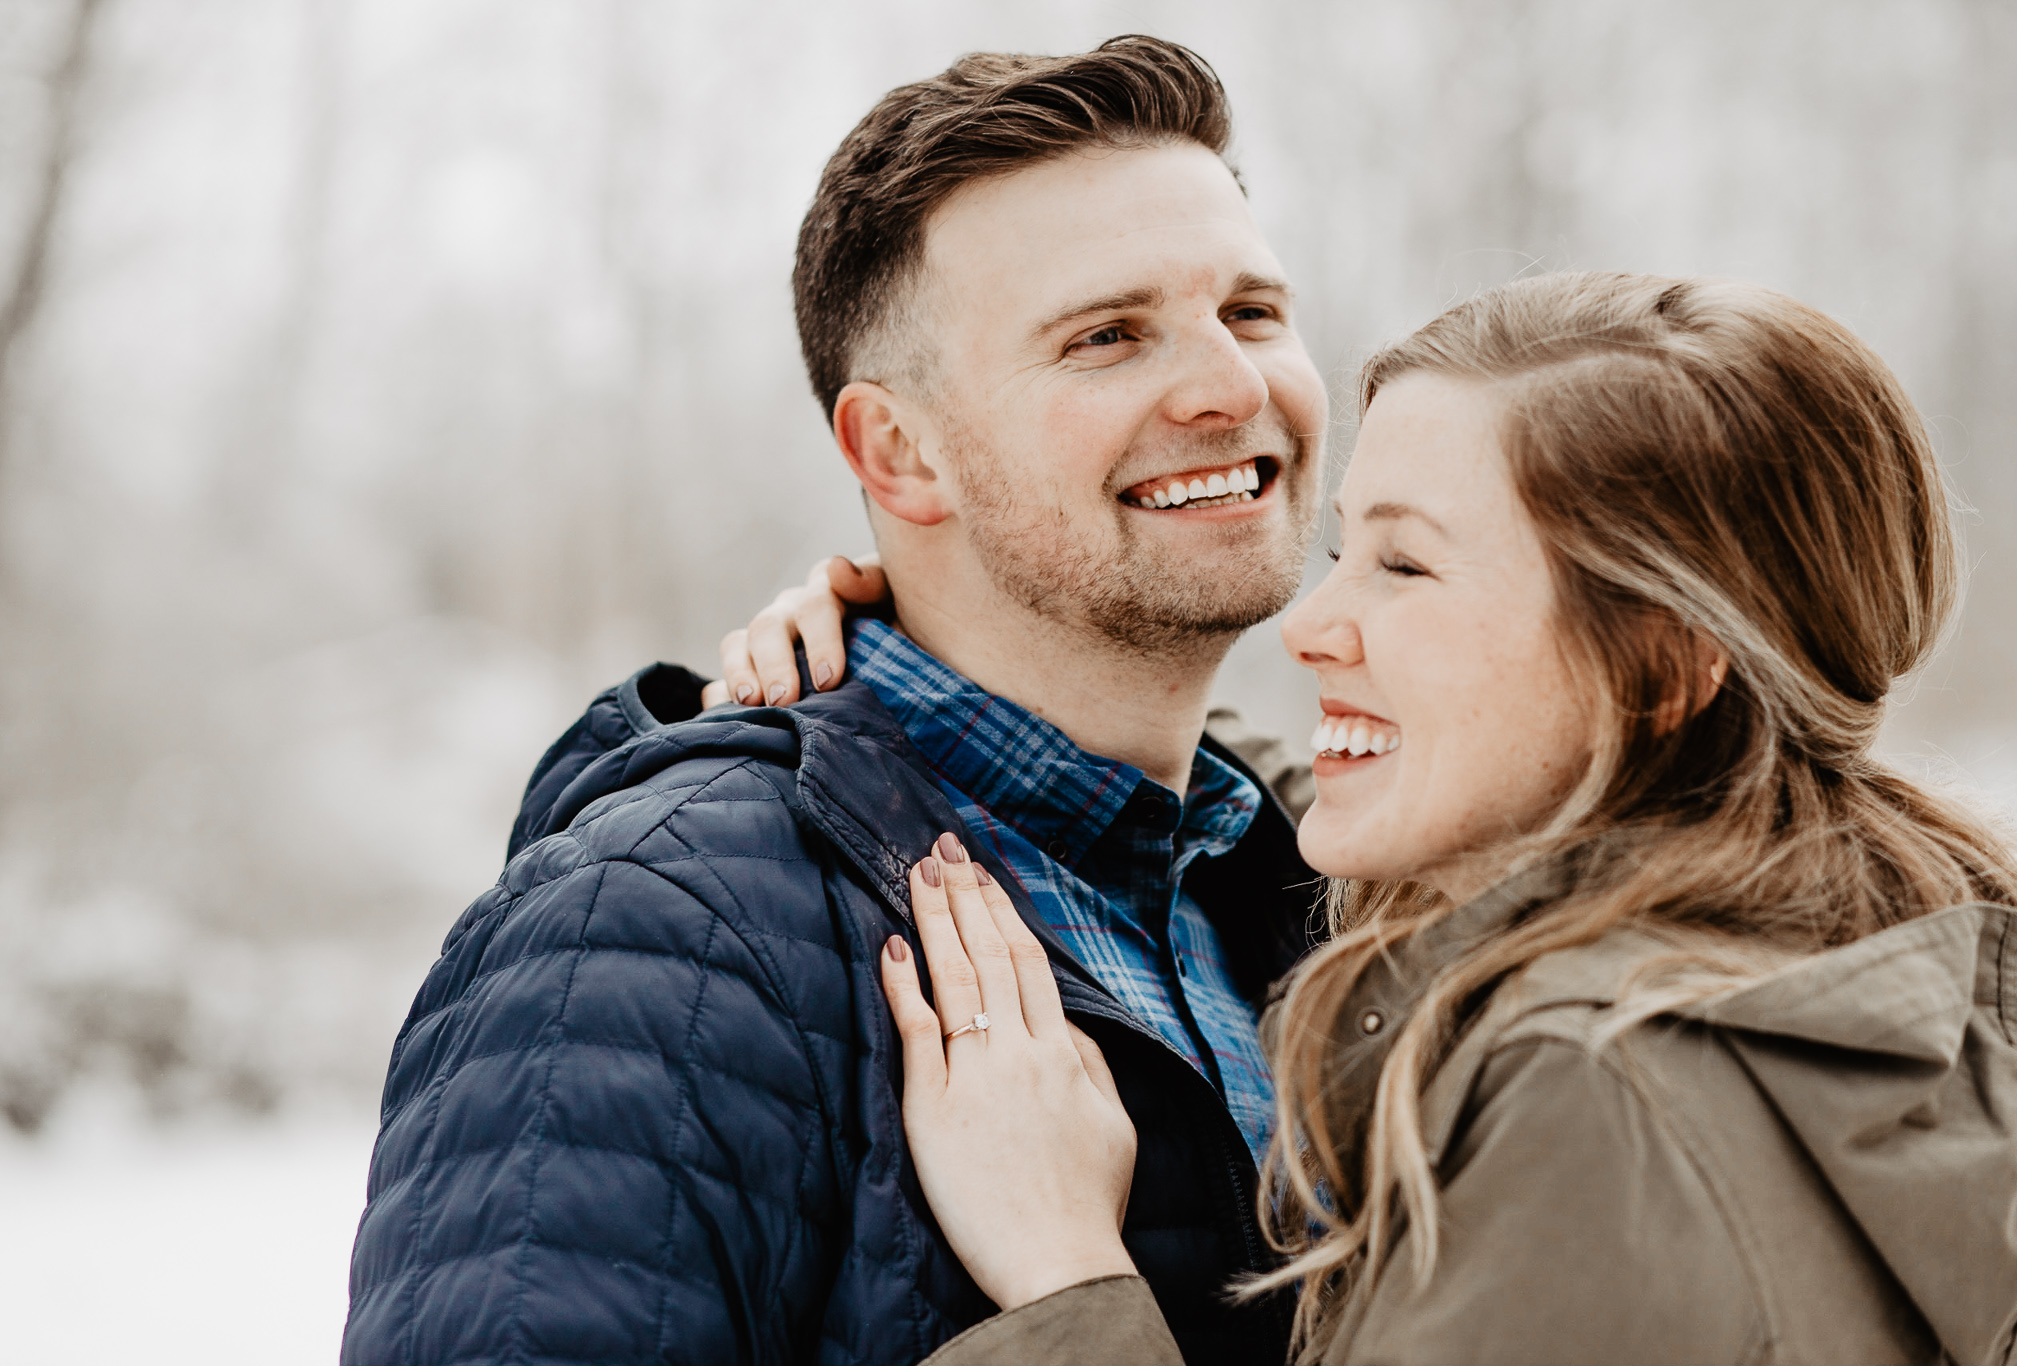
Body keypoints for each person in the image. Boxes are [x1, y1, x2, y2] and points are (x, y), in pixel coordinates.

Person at [735, 272, 2017, 1363]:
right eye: (1340, 551)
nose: (1309, 625)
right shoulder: (1838, 970)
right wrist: (943, 643)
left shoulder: (1606, 1103)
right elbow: (1322, 795)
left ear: (1660, 663)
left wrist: (1063, 1268)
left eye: (1407, 564)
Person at [342, 36, 1328, 1366]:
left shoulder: (1326, 887)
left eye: (1254, 310)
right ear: (899, 452)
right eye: (1109, 335)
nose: (1232, 383)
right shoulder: (651, 935)